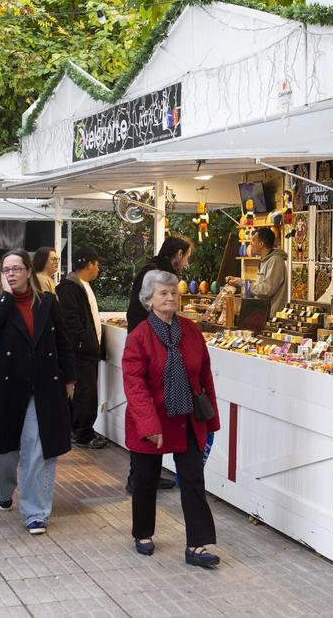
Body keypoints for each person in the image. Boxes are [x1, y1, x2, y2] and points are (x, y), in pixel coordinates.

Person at [0, 250, 75, 535]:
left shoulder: (47, 302)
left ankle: (35, 512)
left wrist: (70, 378)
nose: (11, 274)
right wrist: (6, 297)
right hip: (4, 388)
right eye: (6, 270)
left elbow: (62, 340)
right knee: (2, 454)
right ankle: (3, 491)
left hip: (41, 387)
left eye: (16, 269)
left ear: (29, 271)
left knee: (37, 449)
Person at [122, 269, 221, 567]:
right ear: (149, 299)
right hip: (151, 418)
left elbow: (204, 377)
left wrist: (211, 419)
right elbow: (135, 386)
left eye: (173, 292)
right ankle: (142, 533)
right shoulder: (139, 337)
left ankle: (198, 545)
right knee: (145, 479)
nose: (170, 298)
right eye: (163, 293)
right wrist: (149, 425)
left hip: (187, 417)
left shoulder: (191, 331)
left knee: (192, 477)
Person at [123, 234, 194, 492]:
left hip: (149, 341)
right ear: (177, 254)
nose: (186, 262)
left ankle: (144, 475)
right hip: (149, 345)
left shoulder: (151, 267)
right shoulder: (157, 273)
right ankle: (139, 477)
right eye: (186, 256)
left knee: (157, 411)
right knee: (149, 409)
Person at [56, 248, 107, 449]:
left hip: (85, 350)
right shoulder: (71, 288)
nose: (98, 269)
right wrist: (82, 343)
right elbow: (71, 322)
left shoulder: (79, 286)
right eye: (97, 264)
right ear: (89, 264)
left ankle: (81, 430)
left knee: (85, 391)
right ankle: (82, 433)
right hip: (81, 353)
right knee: (85, 392)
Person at [126, 235, 194, 332]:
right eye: (187, 257)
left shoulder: (156, 271)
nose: (186, 263)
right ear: (179, 254)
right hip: (145, 339)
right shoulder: (155, 274)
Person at [226, 227, 288, 318]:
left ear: (261, 244)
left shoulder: (275, 261)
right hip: (262, 314)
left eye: (253, 241)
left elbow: (266, 290)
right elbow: (259, 285)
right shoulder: (264, 260)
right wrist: (239, 281)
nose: (250, 243)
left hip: (272, 317)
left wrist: (243, 283)